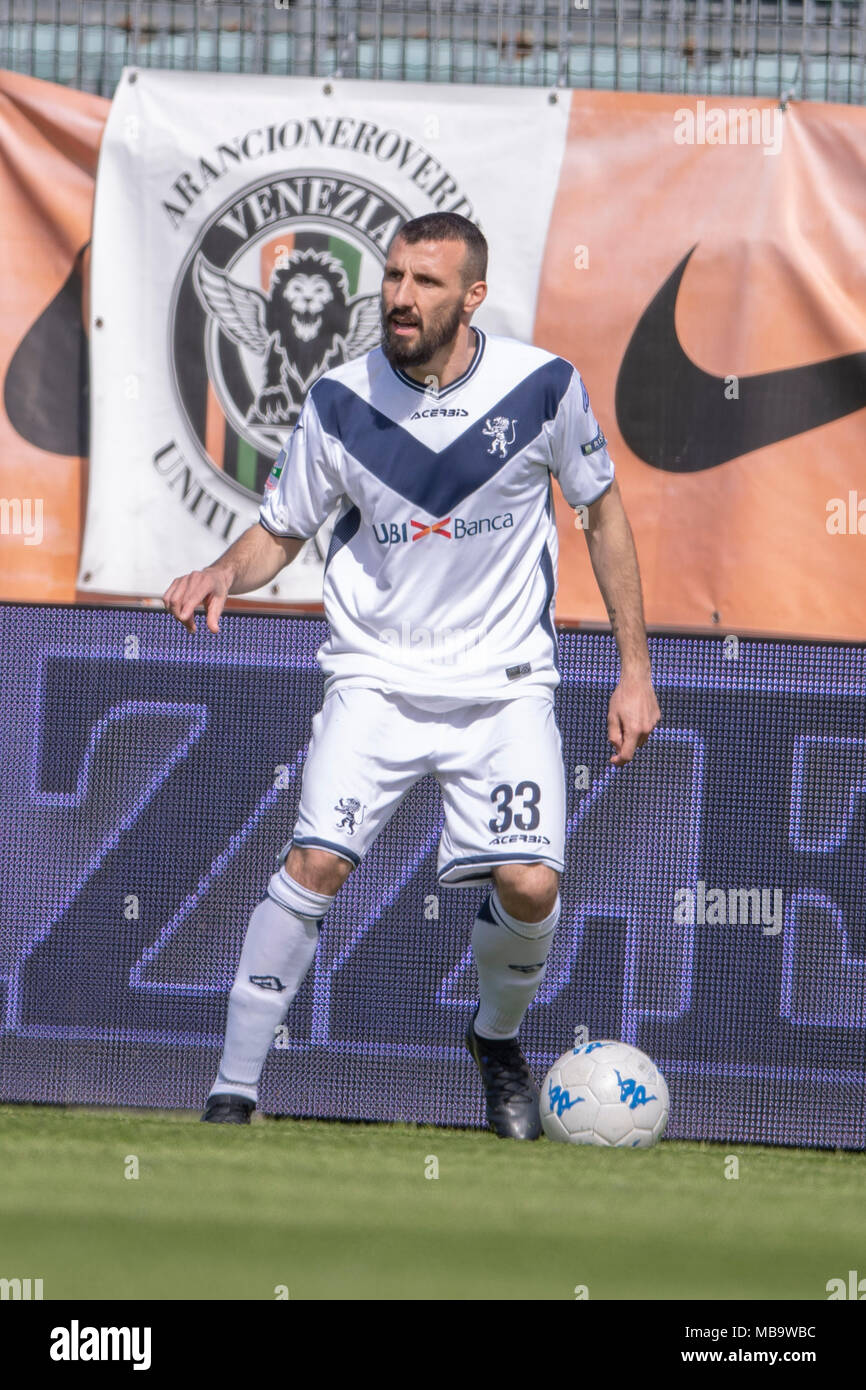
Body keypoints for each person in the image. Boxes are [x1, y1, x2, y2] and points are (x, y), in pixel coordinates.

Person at [162, 212, 661, 1140]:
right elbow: (281, 528)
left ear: (472, 296)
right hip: (376, 680)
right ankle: (232, 1092)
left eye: (427, 283)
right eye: (394, 277)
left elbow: (603, 515)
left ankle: (495, 1040)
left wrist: (635, 670)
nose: (401, 297)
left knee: (532, 887)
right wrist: (222, 573)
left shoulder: (543, 388)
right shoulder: (339, 402)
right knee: (315, 863)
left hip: (505, 686)